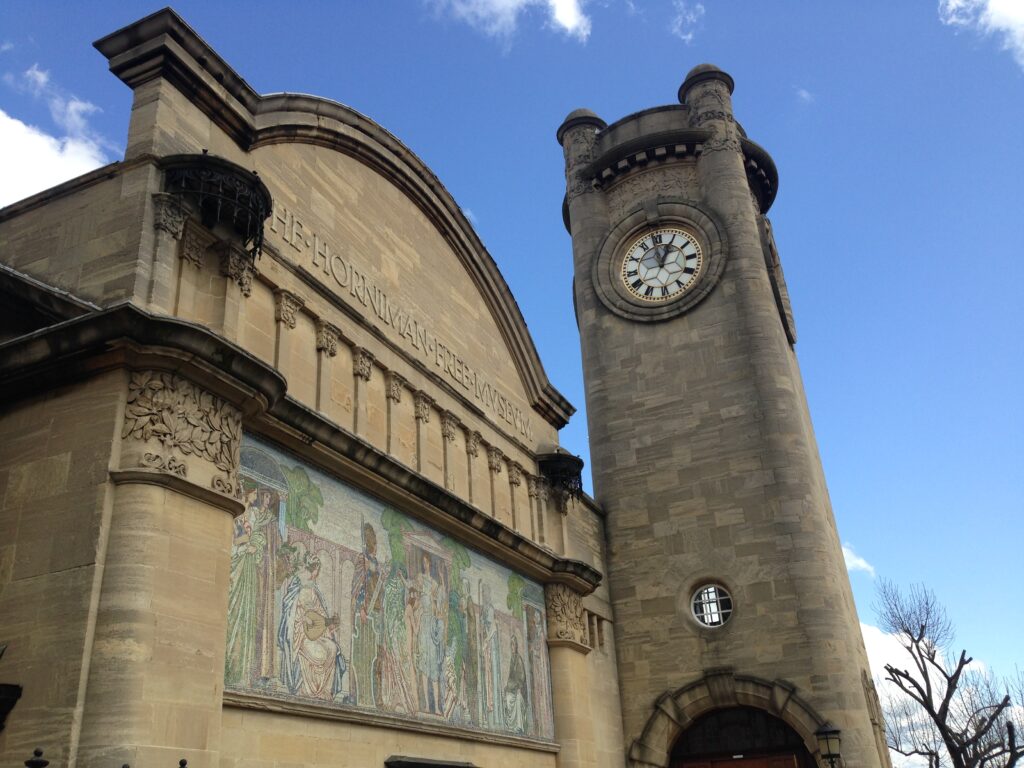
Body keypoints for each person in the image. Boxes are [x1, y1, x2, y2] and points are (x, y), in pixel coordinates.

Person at [278, 551, 347, 700]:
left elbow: (319, 614)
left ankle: (325, 691)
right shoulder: (298, 586)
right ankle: (309, 690)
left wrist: (329, 625)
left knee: (333, 648)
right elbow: (291, 614)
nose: (317, 573)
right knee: (319, 655)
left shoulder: (314, 590)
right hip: (301, 636)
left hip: (316, 634)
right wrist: (303, 621)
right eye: (317, 570)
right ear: (314, 569)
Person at [225, 487, 272, 685]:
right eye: (254, 493)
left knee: (247, 616)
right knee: (235, 614)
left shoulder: (251, 515)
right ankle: (232, 668)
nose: (256, 496)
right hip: (239, 569)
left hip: (248, 569)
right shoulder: (239, 517)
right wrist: (247, 549)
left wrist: (254, 547)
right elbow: (234, 544)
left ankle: (242, 673)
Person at [503, 634, 529, 734]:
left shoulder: (518, 659)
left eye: (513, 645)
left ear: (516, 646)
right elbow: (510, 676)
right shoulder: (512, 659)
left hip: (519, 689)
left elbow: (522, 677)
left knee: (518, 700)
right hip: (513, 688)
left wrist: (519, 688)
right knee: (507, 698)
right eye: (511, 645)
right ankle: (510, 725)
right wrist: (507, 687)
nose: (512, 647)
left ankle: (519, 726)